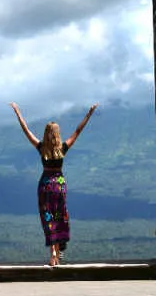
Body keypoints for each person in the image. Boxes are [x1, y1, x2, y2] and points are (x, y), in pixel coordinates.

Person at [10, 101, 98, 267]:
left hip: (45, 186)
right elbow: (78, 131)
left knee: (48, 218)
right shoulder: (62, 148)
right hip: (59, 186)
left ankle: (53, 255)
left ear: (45, 133)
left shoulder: (41, 148)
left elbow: (26, 130)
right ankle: (59, 251)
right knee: (59, 217)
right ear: (57, 133)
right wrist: (89, 113)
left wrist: (17, 112)